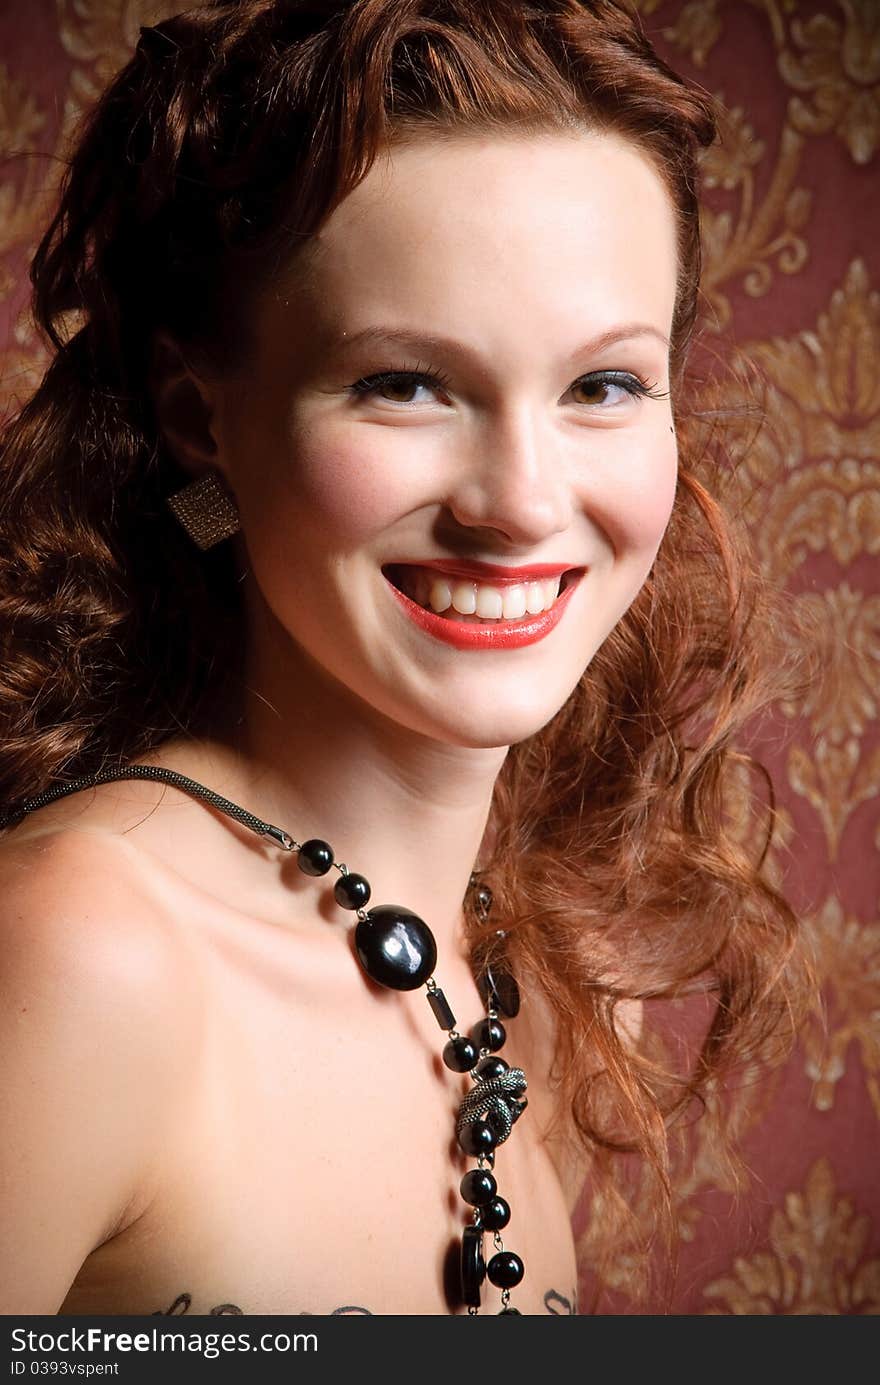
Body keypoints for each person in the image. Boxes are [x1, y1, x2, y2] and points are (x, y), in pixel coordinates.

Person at [0, 0, 813, 1317]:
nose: (521, 500)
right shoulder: (81, 955)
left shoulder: (506, 979)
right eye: (407, 384)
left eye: (602, 385)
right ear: (201, 416)